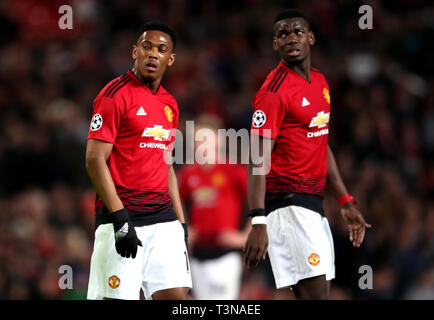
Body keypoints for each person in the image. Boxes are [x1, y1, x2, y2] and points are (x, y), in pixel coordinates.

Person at [243, 9, 371, 300]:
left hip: (312, 205)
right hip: (288, 206)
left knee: (316, 294)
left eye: (298, 32)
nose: (291, 38)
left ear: (310, 37)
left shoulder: (321, 83)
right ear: (275, 44)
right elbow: (256, 157)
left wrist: (345, 201)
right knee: (316, 295)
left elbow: (320, 143)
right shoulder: (273, 92)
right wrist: (258, 221)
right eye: (283, 34)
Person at [86, 21, 192, 300]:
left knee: (180, 300)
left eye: (161, 49)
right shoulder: (114, 95)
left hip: (164, 222)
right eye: (146, 47)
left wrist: (181, 223)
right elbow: (95, 159)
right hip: (122, 219)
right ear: (135, 52)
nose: (153, 54)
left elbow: (166, 164)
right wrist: (120, 218)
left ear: (171, 59)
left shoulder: (170, 104)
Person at [177, 114, 250, 300]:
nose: (200, 144)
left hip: (226, 254)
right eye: (196, 140)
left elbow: (260, 204)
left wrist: (245, 236)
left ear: (218, 140)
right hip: (197, 255)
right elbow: (174, 202)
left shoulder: (234, 171)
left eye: (205, 139)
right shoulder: (188, 174)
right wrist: (185, 229)